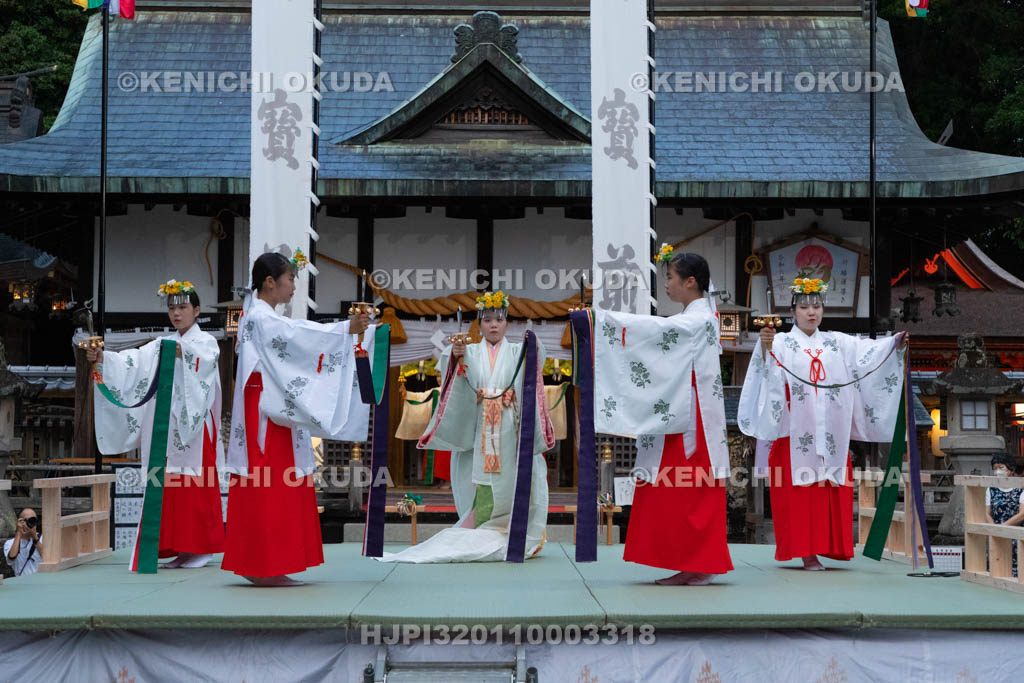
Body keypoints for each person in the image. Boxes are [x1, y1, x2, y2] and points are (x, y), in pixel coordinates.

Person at [738, 276, 907, 570]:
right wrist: (766, 349)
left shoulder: (836, 342)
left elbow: (868, 353)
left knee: (828, 488)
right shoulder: (781, 341)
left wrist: (894, 343)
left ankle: (828, 546)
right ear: (793, 311)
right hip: (795, 433)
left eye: (816, 306)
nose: (811, 312)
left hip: (831, 433)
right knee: (800, 494)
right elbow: (767, 378)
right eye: (804, 307)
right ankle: (805, 551)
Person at [222, 251, 369, 586]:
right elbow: (298, 336)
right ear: (270, 282)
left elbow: (295, 336)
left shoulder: (258, 316)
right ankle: (265, 564)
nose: (293, 286)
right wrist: (345, 328)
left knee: (274, 479)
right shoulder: (261, 317)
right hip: (267, 410)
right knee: (272, 480)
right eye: (290, 279)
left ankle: (261, 561)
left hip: (268, 401)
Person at [379, 290, 555, 563]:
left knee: (516, 478)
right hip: (480, 425)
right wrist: (455, 357)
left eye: (498, 320)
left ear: (507, 322)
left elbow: (534, 371)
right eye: (487, 321)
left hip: (509, 425)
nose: (493, 325)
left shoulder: (518, 351)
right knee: (480, 480)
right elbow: (454, 382)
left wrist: (534, 349)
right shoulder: (467, 350)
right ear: (479, 324)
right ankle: (479, 527)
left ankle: (515, 530)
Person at [594, 250, 732, 586]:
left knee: (684, 487)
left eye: (670, 278)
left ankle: (696, 564)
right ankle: (692, 563)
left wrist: (601, 319)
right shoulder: (697, 317)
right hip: (682, 408)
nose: (666, 285)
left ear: (690, 282)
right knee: (675, 488)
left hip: (690, 416)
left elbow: (654, 331)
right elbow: (660, 332)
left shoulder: (698, 320)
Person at [89, 280, 224, 570]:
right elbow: (133, 361)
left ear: (197, 310)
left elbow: (205, 364)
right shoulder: (163, 344)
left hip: (195, 426)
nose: (177, 313)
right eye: (172, 308)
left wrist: (181, 353)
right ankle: (179, 548)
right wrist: (102, 358)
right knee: (169, 487)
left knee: (194, 486)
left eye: (183, 307)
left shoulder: (205, 343)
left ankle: (201, 548)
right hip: (166, 423)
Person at [985, 453, 1023, 577]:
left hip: (1016, 534)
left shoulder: (1021, 489)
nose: (997, 471)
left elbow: (1022, 514)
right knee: (997, 567)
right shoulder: (991, 489)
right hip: (996, 535)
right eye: (995, 468)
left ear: (1010, 470)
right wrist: (995, 530)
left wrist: (1003, 528)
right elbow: (986, 513)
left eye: (1001, 467)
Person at [4, 508, 42, 577]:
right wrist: (19, 532)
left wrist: (35, 537)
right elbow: (11, 558)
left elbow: (48, 558)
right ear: (20, 522)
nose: (31, 523)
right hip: (22, 583)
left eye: (33, 520)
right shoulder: (9, 543)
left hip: (41, 581)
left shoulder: (42, 538)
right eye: (28, 520)